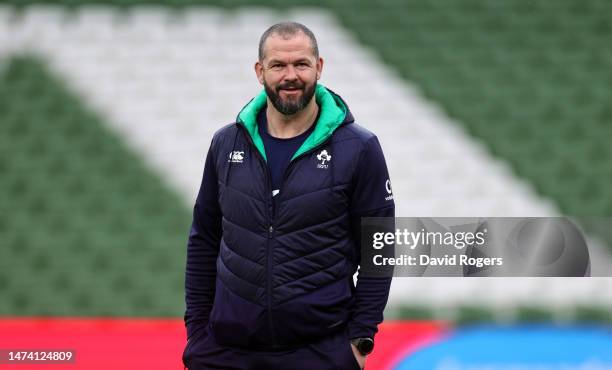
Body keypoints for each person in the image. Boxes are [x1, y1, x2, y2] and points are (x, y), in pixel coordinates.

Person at [183, 22, 394, 370]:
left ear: (319, 67)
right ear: (259, 71)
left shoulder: (359, 147)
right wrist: (196, 332)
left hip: (320, 351)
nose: (290, 76)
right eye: (278, 65)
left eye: (301, 64)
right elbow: (204, 238)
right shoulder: (226, 143)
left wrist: (360, 339)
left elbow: (380, 247)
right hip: (226, 351)